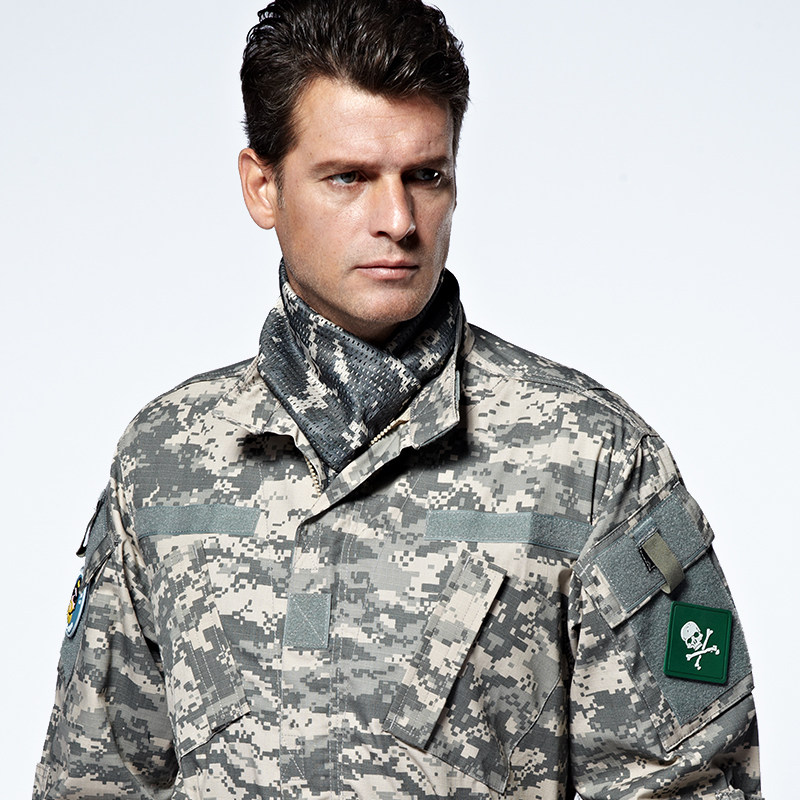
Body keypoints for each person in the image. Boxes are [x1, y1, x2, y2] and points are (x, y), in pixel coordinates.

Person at [33, 1, 763, 798]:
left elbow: (690, 783)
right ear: (263, 187)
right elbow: (92, 781)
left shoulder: (593, 461)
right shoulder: (162, 461)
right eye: (349, 177)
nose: (398, 221)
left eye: (426, 176)